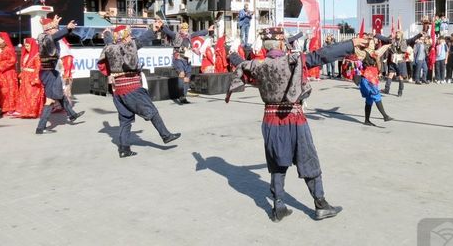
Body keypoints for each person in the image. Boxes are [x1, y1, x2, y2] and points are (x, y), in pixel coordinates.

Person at [226, 27, 369, 222]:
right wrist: (350, 44)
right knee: (308, 159)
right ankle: (320, 205)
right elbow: (322, 56)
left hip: (270, 121)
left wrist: (231, 53)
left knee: (277, 163)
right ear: (282, 44)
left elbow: (241, 64)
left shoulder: (257, 66)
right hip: (294, 119)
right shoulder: (293, 62)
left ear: (266, 48)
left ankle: (278, 207)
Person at [98, 21, 181, 158]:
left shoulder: (109, 48)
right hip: (131, 87)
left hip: (117, 90)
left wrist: (107, 33)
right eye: (129, 35)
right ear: (124, 37)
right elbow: (142, 40)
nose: (131, 37)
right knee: (152, 111)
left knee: (125, 119)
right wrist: (153, 29)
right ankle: (166, 135)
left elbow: (107, 42)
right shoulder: (127, 47)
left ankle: (124, 149)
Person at [35, 16, 84, 134]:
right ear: (49, 29)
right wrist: (67, 28)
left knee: (59, 93)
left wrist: (57, 25)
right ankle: (40, 127)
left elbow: (55, 36)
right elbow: (54, 36)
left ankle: (72, 114)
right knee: (50, 100)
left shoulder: (48, 36)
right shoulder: (44, 37)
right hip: (49, 72)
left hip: (52, 71)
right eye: (54, 28)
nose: (57, 30)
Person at [161, 21, 212, 104]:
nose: (185, 30)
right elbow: (168, 31)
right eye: (183, 28)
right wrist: (162, 25)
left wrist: (208, 30)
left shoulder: (189, 36)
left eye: (186, 29)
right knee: (181, 74)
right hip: (178, 58)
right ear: (180, 29)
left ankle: (184, 97)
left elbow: (198, 33)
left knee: (187, 79)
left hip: (187, 59)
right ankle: (180, 95)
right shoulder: (176, 35)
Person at [355, 37, 393, 126]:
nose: (373, 44)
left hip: (373, 76)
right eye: (371, 43)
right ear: (367, 44)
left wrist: (377, 60)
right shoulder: (364, 53)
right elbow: (356, 52)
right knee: (376, 95)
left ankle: (367, 120)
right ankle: (385, 116)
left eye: (374, 43)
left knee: (369, 99)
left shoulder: (375, 53)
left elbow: (379, 68)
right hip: (367, 77)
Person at [0, 32, 19, 116]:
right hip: (0, 73)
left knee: (8, 90)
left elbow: (12, 60)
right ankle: (4, 107)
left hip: (8, 74)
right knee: (1, 90)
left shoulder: (9, 49)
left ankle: (10, 108)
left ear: (3, 40)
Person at [16, 38, 44, 119]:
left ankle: (33, 112)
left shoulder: (37, 56)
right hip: (25, 78)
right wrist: (21, 77)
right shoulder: (26, 55)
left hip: (32, 77)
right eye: (25, 46)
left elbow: (38, 68)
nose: (27, 48)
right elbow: (23, 67)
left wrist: (35, 79)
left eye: (28, 46)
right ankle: (26, 112)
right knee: (26, 95)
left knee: (33, 95)